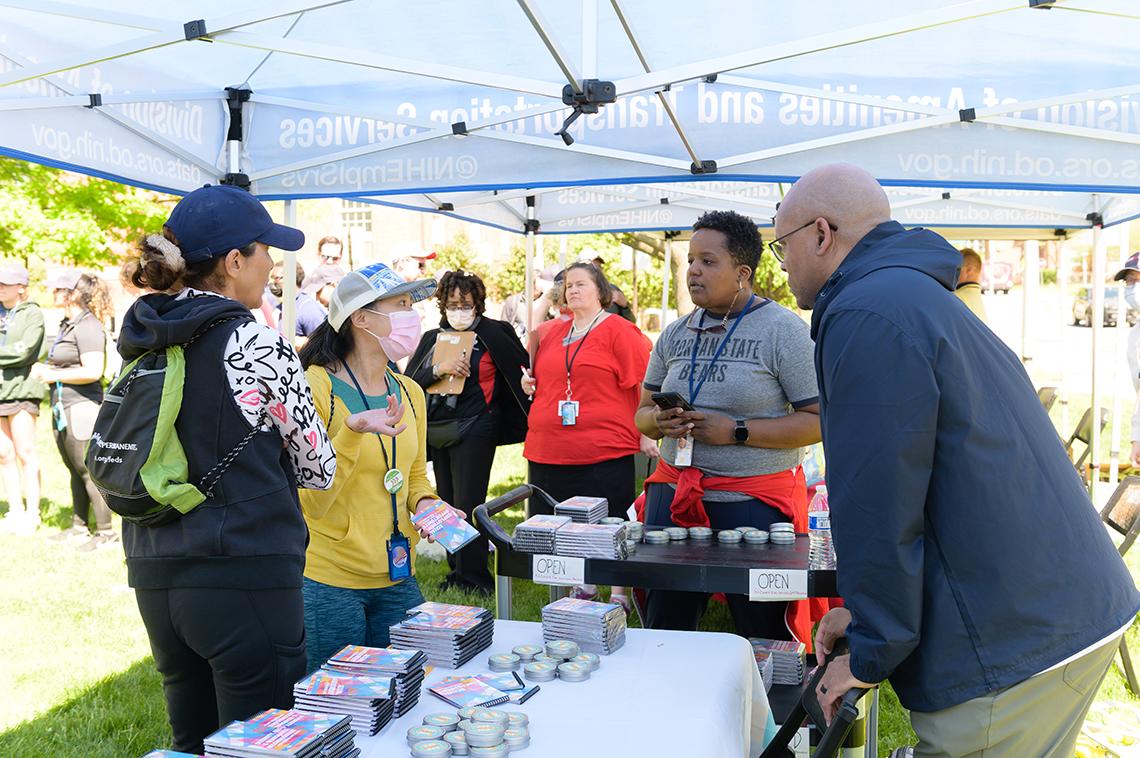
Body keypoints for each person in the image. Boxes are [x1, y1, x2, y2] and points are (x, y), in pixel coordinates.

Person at [775, 164, 1140, 756]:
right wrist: (865, 621)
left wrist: (868, 656)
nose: (782, 261)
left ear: (822, 234)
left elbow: (879, 503)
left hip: (1012, 639)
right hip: (1044, 606)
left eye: (781, 242)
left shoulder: (865, 312)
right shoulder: (909, 294)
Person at [117, 184, 336, 755]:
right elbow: (317, 468)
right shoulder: (259, 343)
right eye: (265, 250)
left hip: (153, 565)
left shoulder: (142, 338)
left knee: (190, 740)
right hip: (244, 570)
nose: (273, 263)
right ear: (234, 261)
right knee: (262, 741)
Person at [633, 210, 822, 643]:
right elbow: (641, 414)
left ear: (742, 273)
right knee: (666, 628)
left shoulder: (783, 331)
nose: (693, 270)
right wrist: (661, 422)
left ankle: (763, 708)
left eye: (707, 261)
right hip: (673, 491)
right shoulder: (676, 333)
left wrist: (736, 430)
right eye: (690, 260)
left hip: (752, 502)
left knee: (763, 635)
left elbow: (818, 422)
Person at [297, 262, 465, 669]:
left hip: (396, 574)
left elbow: (413, 477)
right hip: (330, 580)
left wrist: (429, 506)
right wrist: (353, 431)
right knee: (337, 707)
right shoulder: (315, 385)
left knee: (410, 689)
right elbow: (310, 496)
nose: (413, 315)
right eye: (402, 304)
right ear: (360, 318)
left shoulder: (410, 391)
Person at [520, 262, 655, 609]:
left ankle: (619, 593)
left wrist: (648, 432)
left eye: (581, 284)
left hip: (603, 449)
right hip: (550, 447)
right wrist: (528, 382)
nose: (573, 290)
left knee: (607, 525)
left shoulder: (619, 331)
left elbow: (646, 381)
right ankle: (579, 587)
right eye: (567, 285)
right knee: (560, 526)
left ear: (601, 291)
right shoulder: (550, 332)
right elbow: (537, 376)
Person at [407, 270, 530, 596]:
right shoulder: (432, 338)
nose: (459, 309)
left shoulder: (495, 333)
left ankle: (475, 575)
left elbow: (521, 372)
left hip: (478, 427)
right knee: (444, 502)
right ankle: (456, 569)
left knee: (470, 502)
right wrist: (439, 369)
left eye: (466, 304)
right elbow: (410, 382)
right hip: (438, 429)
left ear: (478, 304)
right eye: (452, 303)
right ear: (442, 304)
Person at [33, 271, 115, 549]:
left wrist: (51, 373)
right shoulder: (69, 323)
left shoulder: (88, 325)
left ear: (74, 293)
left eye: (58, 288)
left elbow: (93, 371)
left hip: (82, 406)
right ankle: (79, 527)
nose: (52, 291)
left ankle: (106, 533)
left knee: (87, 470)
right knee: (72, 468)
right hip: (62, 406)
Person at [0, 264, 44, 534]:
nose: (0, 287)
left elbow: (25, 350)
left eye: (5, 283)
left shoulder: (33, 313)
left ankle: (32, 512)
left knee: (25, 452)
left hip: (22, 389)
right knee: (3, 454)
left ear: (21, 287)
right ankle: (14, 511)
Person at [269, 260, 327, 342]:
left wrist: (299, 344)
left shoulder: (307, 309)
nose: (273, 283)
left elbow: (323, 344)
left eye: (277, 278)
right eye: (272, 278)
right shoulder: (281, 307)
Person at [592, 255, 635, 322]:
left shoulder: (612, 290)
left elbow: (631, 322)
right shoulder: (574, 292)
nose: (598, 271)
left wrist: (625, 306)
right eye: (593, 267)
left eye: (599, 267)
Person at [954, 247, 988, 322]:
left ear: (969, 270)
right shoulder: (980, 298)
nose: (952, 272)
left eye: (957, 268)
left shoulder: (956, 298)